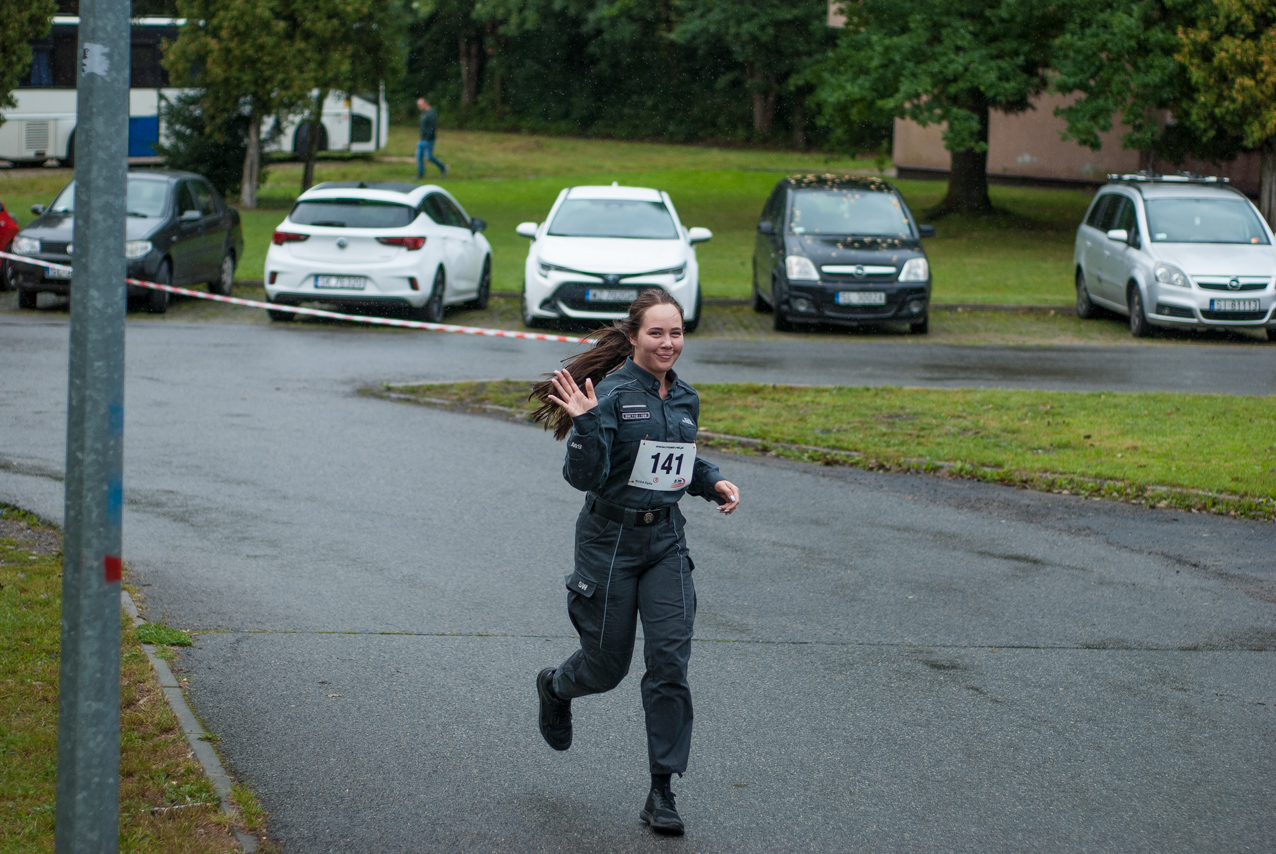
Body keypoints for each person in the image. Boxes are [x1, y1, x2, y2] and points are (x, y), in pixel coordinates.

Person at [530, 289, 741, 836]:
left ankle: (662, 791)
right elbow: (583, 477)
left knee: (669, 664)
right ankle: (556, 687)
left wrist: (712, 480)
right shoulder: (609, 394)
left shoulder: (685, 397)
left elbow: (678, 458)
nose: (668, 343)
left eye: (676, 333)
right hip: (610, 543)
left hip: (666, 541)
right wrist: (584, 424)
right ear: (633, 337)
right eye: (657, 333)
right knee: (606, 668)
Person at [415, 97, 447, 179]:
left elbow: (432, 127)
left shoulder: (431, 113)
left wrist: (428, 137)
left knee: (428, 156)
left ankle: (443, 167)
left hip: (428, 140)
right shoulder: (424, 113)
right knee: (419, 156)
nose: (419, 106)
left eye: (420, 104)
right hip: (422, 139)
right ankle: (420, 174)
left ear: (426, 104)